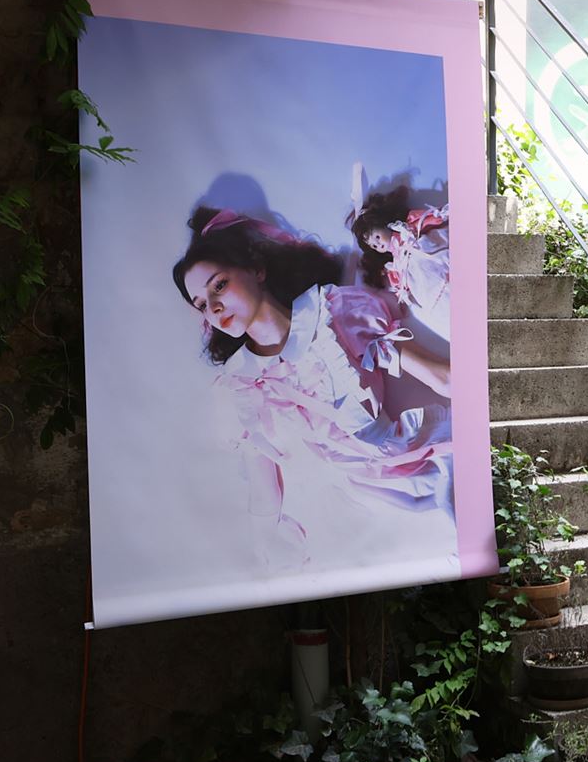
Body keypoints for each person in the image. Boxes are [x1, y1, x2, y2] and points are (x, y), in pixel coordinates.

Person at [172, 208, 453, 556]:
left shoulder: (333, 313)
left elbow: (440, 376)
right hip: (346, 516)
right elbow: (265, 496)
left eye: (219, 285)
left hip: (422, 468)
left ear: (256, 269)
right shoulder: (238, 385)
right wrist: (267, 560)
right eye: (201, 304)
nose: (214, 307)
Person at [351, 186, 452, 341]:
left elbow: (426, 221)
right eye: (374, 246)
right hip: (422, 283)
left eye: (377, 237)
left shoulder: (406, 231)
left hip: (426, 255)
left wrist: (440, 216)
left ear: (384, 223)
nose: (378, 244)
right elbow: (400, 284)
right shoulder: (394, 264)